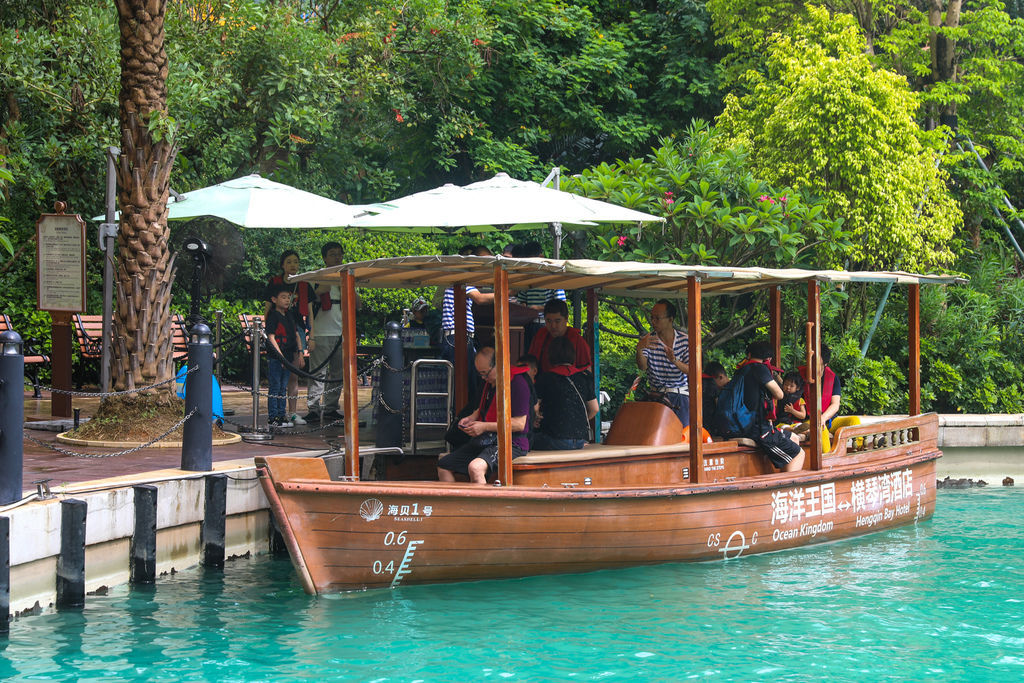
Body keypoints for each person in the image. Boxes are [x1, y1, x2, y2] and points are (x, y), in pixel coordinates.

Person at [437, 347, 532, 484]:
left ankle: (482, 506)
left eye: (485, 374)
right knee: (444, 465)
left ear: (498, 365)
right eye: (481, 374)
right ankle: (455, 504)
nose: (484, 378)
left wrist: (484, 426)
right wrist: (471, 418)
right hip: (487, 439)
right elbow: (481, 409)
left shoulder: (518, 383)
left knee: (475, 468)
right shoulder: (489, 382)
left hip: (512, 443)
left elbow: (519, 424)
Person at [727, 341, 804, 472]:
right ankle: (786, 490)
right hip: (759, 430)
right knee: (799, 454)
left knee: (795, 438)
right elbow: (779, 394)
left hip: (741, 425)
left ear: (749, 354)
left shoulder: (741, 370)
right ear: (768, 358)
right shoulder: (759, 368)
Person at [306, 241, 356, 424]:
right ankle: (313, 407)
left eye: (339, 254)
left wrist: (349, 287)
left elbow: (357, 305)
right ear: (325, 258)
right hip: (320, 331)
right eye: (333, 254)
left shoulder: (346, 277)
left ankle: (330, 408)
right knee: (318, 372)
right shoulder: (317, 276)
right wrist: (328, 281)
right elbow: (311, 300)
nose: (338, 257)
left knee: (337, 373)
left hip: (341, 332)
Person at [265, 250, 314, 425]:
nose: (293, 265)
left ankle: (291, 412)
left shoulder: (304, 284)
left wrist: (310, 337)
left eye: (296, 261)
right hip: (278, 333)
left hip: (296, 330)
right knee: (277, 380)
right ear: (283, 265)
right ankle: (275, 415)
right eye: (289, 262)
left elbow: (309, 312)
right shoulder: (275, 283)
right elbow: (267, 308)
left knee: (293, 374)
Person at [533, 337, 599, 450]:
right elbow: (595, 409)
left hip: (554, 439)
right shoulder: (584, 377)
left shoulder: (545, 378)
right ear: (573, 355)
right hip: (580, 440)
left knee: (525, 441)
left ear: (550, 356)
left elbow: (535, 408)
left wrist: (537, 418)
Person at [635, 299, 690, 427]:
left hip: (679, 395)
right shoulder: (649, 339)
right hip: (655, 396)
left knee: (682, 437)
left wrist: (674, 361)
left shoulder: (685, 340)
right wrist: (639, 348)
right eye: (652, 318)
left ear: (670, 319)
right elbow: (642, 367)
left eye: (657, 318)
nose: (653, 322)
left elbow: (692, 370)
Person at [515, 241, 566, 349]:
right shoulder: (528, 278)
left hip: (545, 324)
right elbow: (522, 300)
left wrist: (539, 308)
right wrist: (523, 308)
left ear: (541, 257)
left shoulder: (552, 277)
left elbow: (561, 305)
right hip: (528, 324)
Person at [265, 284, 303, 428]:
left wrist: (300, 353)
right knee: (275, 386)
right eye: (283, 297)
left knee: (283, 387)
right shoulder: (273, 316)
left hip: (288, 355)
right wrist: (280, 356)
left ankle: (282, 415)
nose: (287, 300)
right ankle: (273, 417)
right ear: (274, 300)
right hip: (276, 357)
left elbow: (296, 334)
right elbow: (271, 337)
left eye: (288, 297)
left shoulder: (289, 315)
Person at [527, 299, 592, 373]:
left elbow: (587, 371)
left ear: (566, 318)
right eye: (549, 321)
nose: (553, 326)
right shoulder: (540, 336)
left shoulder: (577, 340)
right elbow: (530, 364)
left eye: (557, 321)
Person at [799, 344, 841, 428]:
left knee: (853, 421)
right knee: (820, 429)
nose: (813, 367)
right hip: (808, 420)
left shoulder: (833, 378)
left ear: (825, 364)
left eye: (817, 364)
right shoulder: (799, 376)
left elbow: (835, 404)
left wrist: (823, 417)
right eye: (811, 363)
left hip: (828, 418)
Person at [702, 361, 729, 428]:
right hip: (708, 424)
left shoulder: (699, 381)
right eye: (726, 384)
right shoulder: (713, 385)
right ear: (721, 376)